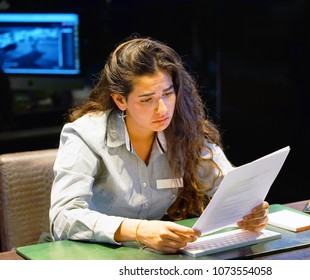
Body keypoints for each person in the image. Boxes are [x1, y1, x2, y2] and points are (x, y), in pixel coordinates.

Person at [49, 36, 269, 254]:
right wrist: (139, 230)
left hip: (145, 254)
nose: (163, 110)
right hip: (85, 253)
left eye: (167, 94)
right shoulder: (85, 134)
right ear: (120, 100)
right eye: (147, 99)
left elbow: (230, 187)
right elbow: (63, 217)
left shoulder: (185, 128)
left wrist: (249, 211)